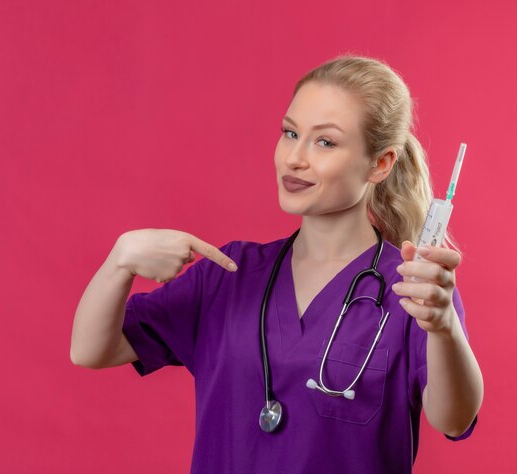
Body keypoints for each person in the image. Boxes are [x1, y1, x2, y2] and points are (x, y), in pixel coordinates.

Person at [70, 55, 483, 473]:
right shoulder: (227, 274)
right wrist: (120, 259)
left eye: (325, 142)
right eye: (290, 133)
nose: (294, 158)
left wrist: (444, 325)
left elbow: (453, 418)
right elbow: (90, 349)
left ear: (379, 164)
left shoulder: (414, 291)